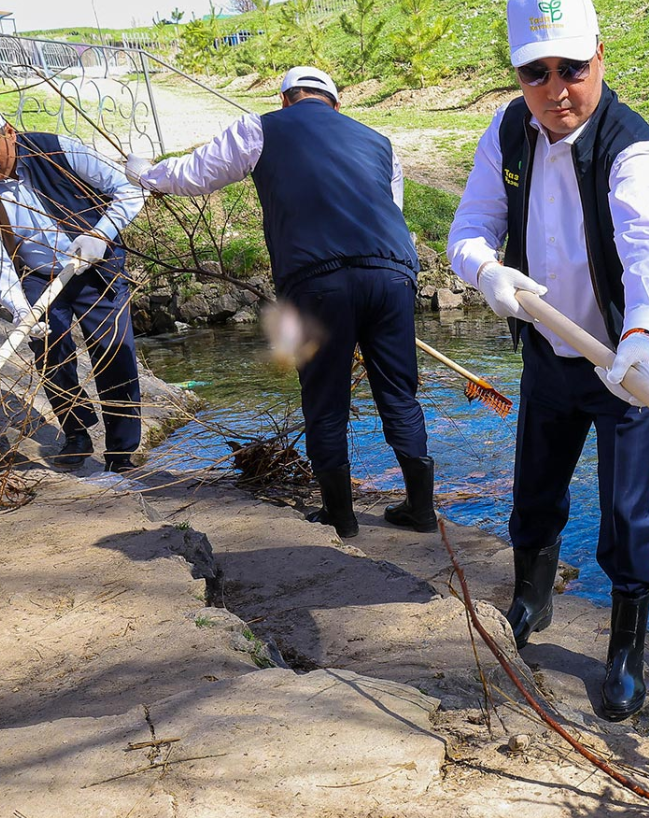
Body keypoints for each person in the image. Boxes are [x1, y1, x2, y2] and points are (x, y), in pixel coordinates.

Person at [447, 0, 649, 721]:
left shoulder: (631, 150)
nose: (555, 90)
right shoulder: (507, 131)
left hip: (627, 366)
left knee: (625, 513)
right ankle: (529, 601)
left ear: (600, 59)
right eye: (535, 72)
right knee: (536, 490)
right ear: (518, 74)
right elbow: (469, 228)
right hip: (550, 353)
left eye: (571, 69)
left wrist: (642, 339)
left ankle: (623, 652)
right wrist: (485, 270)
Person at [124, 67, 436, 538]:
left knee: (324, 399)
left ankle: (341, 518)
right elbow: (390, 207)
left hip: (316, 284)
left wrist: (147, 176)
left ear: (287, 99)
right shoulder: (379, 142)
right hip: (392, 277)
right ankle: (421, 511)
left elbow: (197, 173)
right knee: (398, 393)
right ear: (336, 103)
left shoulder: (260, 126)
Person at [0, 93, 146, 472]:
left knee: (113, 351)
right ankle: (77, 431)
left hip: (96, 262)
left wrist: (101, 235)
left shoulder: (58, 151)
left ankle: (121, 451)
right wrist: (18, 307)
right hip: (37, 273)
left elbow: (130, 190)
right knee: (50, 353)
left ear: (9, 132)